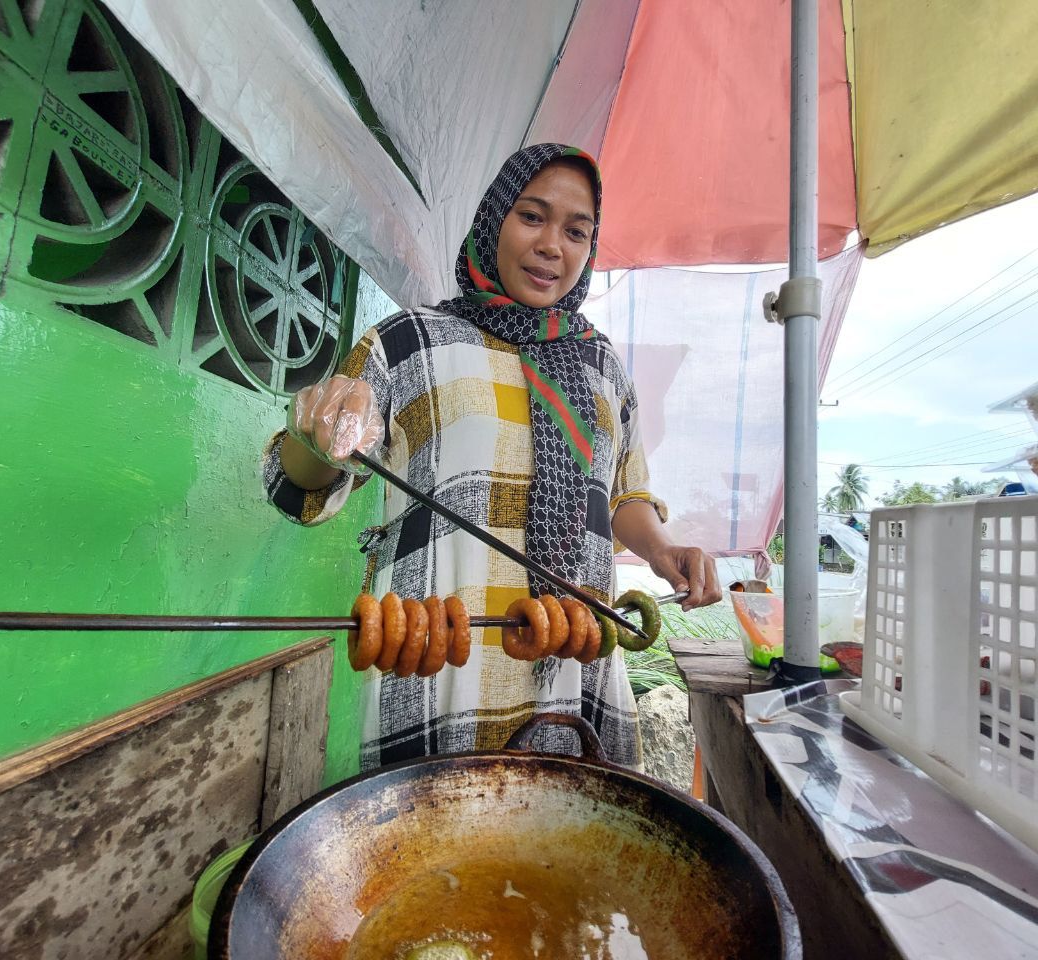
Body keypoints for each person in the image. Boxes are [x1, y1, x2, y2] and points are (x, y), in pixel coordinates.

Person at [263, 143, 721, 769]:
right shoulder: (406, 343)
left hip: (576, 669)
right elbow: (305, 487)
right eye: (531, 216)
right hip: (441, 666)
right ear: (494, 219)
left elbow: (621, 498)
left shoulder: (603, 366)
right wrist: (316, 438)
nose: (552, 245)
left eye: (576, 231)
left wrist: (663, 549)